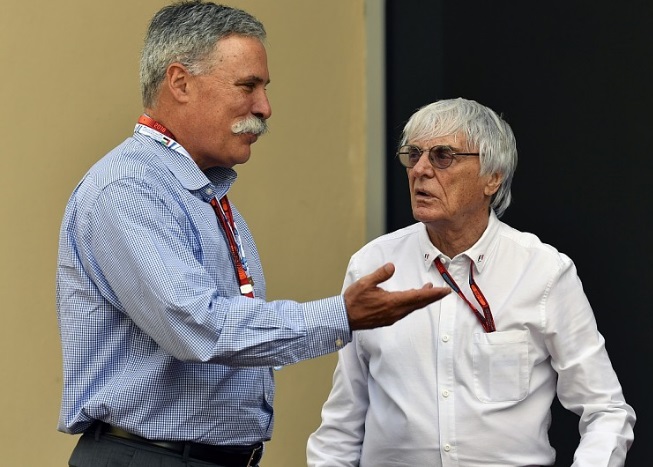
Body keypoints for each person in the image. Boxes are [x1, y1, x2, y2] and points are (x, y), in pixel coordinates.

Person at [55, 2, 450, 466]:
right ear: (179, 82)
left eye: (264, 88)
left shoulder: (201, 191)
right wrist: (341, 316)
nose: (264, 108)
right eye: (248, 86)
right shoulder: (128, 188)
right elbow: (199, 325)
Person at [306, 97, 636, 466]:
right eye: (413, 155)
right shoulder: (374, 265)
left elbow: (606, 410)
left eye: (443, 156)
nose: (421, 170)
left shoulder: (543, 271)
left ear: (492, 178)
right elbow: (342, 424)